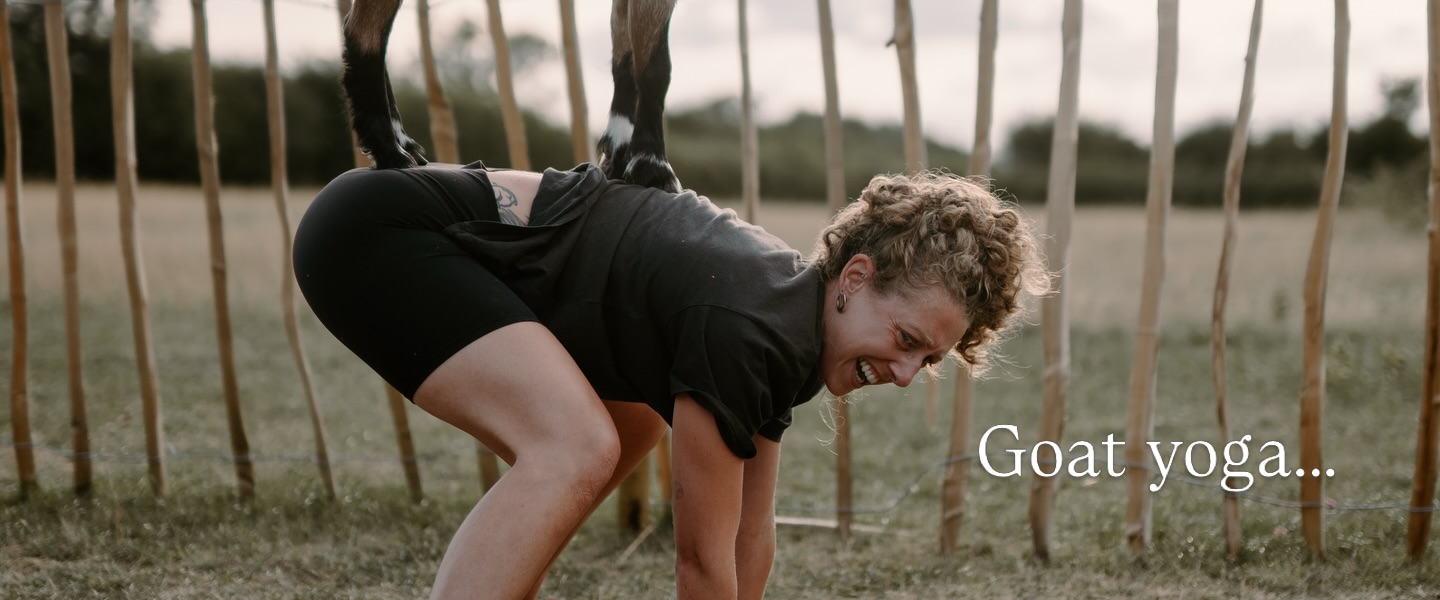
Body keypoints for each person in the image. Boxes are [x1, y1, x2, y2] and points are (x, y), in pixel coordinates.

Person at [293, 161, 1046, 600]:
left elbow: (749, 536)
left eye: (929, 360)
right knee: (575, 446)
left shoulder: (788, 321)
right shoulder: (751, 325)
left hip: (395, 232)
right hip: (379, 237)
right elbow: (700, 565)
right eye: (907, 340)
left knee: (633, 420)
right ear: (855, 277)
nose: (908, 375)